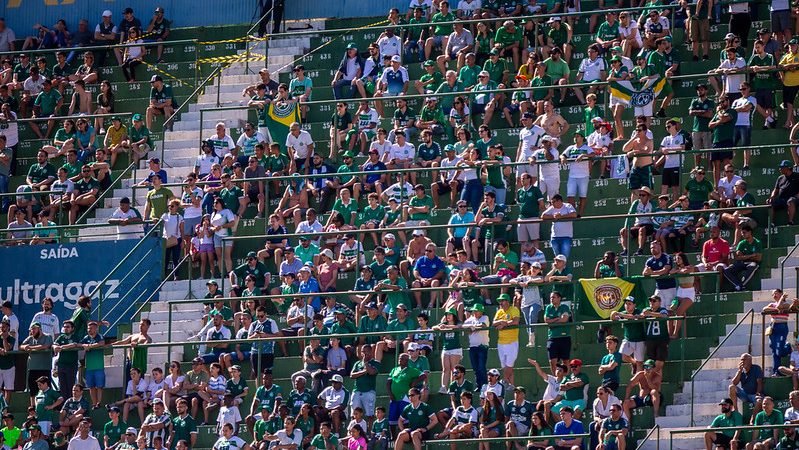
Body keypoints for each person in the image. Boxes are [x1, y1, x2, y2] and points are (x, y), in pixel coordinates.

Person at [722, 224, 762, 291]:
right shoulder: (741, 243)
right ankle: (740, 286)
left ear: (750, 232)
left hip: (752, 263)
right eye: (742, 233)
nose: (743, 234)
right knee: (727, 270)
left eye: (744, 233)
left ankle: (740, 286)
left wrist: (744, 256)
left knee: (752, 266)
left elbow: (758, 258)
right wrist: (751, 255)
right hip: (742, 263)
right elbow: (737, 257)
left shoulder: (757, 242)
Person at [728, 353, 764, 417]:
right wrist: (739, 371)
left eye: (744, 360)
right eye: (741, 360)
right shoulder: (741, 371)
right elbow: (734, 383)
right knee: (731, 387)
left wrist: (758, 393)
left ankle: (752, 418)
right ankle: (736, 411)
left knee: (759, 401)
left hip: (754, 394)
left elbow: (759, 382)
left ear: (750, 361)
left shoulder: (756, 368)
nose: (742, 362)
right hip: (745, 394)